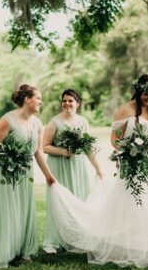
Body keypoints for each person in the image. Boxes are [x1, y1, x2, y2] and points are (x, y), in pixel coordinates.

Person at [48, 74, 148, 267]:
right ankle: (129, 244)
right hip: (132, 163)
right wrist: (133, 151)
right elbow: (115, 140)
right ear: (138, 91)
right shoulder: (125, 110)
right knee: (132, 200)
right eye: (145, 94)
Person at [0, 84, 55, 268]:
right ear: (27, 99)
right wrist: (9, 157)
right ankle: (5, 249)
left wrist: (48, 175)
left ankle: (22, 249)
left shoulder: (38, 123)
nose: (40, 101)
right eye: (38, 98)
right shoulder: (7, 120)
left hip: (25, 173)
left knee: (23, 209)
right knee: (8, 210)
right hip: (5, 172)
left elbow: (37, 152)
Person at [42, 89, 103, 254]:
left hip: (78, 166)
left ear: (78, 103)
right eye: (64, 101)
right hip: (59, 166)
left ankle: (76, 238)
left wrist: (98, 169)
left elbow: (87, 147)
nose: (67, 104)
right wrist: (63, 152)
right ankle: (54, 241)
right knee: (58, 201)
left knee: (78, 199)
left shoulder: (83, 122)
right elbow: (44, 147)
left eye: (70, 101)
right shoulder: (54, 122)